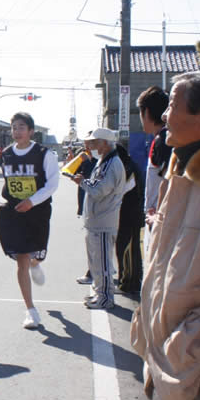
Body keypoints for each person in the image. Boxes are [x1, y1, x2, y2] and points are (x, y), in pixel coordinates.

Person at [130, 71, 200, 400]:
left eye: (173, 107)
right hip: (175, 364)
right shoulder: (180, 167)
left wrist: (194, 341)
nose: (164, 116)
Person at [0, 113, 59, 329]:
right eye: (14, 127)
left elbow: (51, 185)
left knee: (37, 253)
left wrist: (32, 201)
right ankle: (30, 310)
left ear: (31, 131)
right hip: (15, 212)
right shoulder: (6, 154)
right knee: (21, 257)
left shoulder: (44, 154)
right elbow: (9, 183)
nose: (17, 131)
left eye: (21, 127)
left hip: (38, 212)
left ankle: (36, 263)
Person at [71, 128, 126, 310]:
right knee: (96, 262)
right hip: (97, 220)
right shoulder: (105, 161)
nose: (91, 146)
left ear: (104, 143)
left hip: (104, 220)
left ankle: (105, 298)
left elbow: (100, 190)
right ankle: (99, 294)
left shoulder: (111, 163)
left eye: (94, 142)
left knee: (102, 264)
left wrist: (82, 182)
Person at [136, 86, 171, 252]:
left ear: (147, 112)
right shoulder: (162, 138)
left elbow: (170, 182)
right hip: (158, 219)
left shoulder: (164, 139)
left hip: (159, 220)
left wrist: (158, 217)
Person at [115, 144, 144, 294]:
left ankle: (128, 284)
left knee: (128, 251)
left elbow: (121, 190)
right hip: (126, 215)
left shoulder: (129, 168)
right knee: (123, 249)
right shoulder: (127, 166)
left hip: (131, 215)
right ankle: (126, 282)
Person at [75, 147, 98, 285]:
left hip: (97, 207)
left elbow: (94, 179)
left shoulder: (104, 161)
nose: (88, 146)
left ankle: (94, 274)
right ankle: (95, 272)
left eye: (91, 143)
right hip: (86, 202)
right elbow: (75, 173)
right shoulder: (84, 155)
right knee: (91, 240)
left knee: (95, 241)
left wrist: (88, 161)